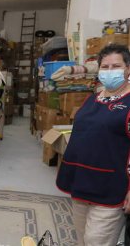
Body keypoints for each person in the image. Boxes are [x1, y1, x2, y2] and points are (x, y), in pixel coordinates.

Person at [56, 44, 130, 246]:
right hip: (82, 182)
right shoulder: (95, 95)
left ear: (128, 68)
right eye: (105, 67)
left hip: (111, 186)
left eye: (116, 66)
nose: (109, 71)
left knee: (96, 240)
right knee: (82, 238)